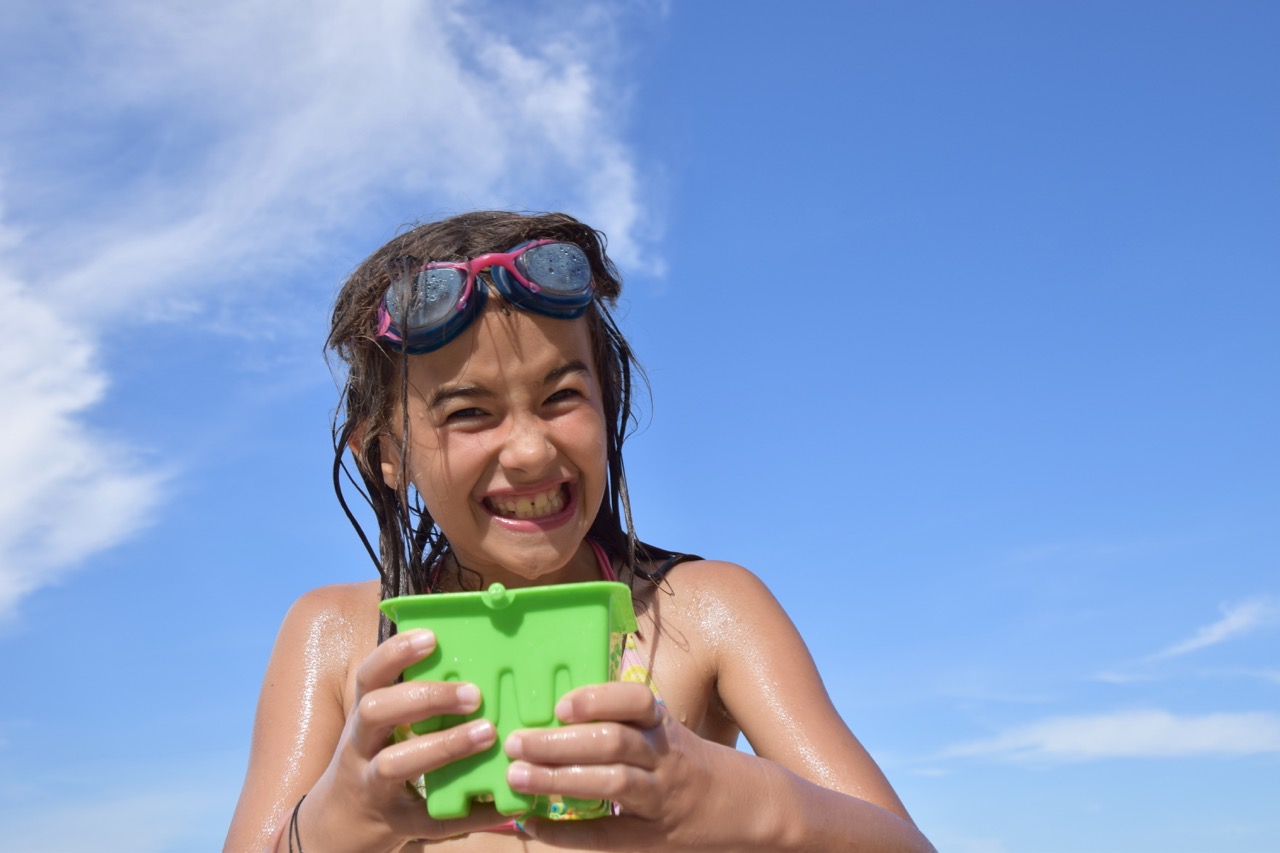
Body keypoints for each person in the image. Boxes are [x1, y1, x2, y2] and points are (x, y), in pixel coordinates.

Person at [225, 211, 935, 852]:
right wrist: (335, 823)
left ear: (606, 398)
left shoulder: (708, 614)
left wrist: (742, 800)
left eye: (562, 395)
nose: (530, 451)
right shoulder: (335, 638)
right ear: (385, 453)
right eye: (469, 413)